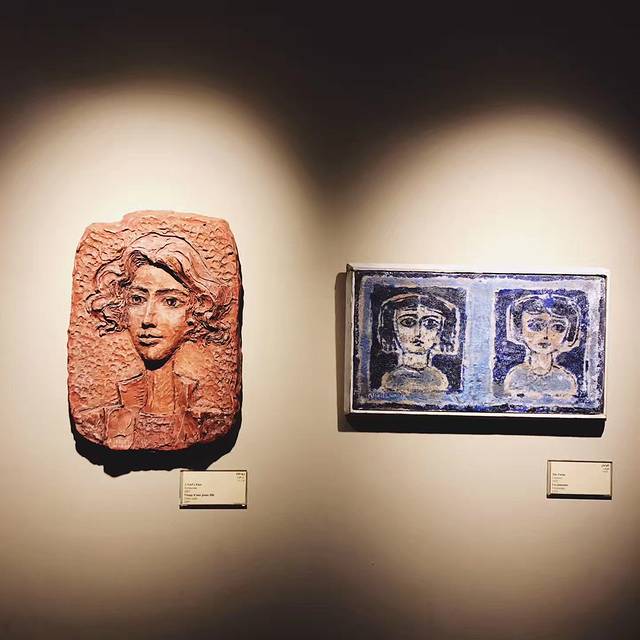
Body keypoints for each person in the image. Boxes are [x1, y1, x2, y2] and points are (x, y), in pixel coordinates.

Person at [81, 232, 232, 450]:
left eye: (170, 301)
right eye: (137, 299)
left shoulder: (211, 419)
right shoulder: (97, 420)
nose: (148, 319)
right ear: (121, 308)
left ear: (195, 313)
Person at [376, 292, 459, 394]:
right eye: (408, 322)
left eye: (430, 323)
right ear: (392, 327)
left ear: (442, 329)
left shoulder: (440, 381)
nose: (418, 333)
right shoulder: (390, 382)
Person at [503, 293, 580, 399]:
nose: (545, 335)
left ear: (568, 332)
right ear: (519, 329)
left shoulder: (566, 380)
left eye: (558, 327)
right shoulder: (515, 377)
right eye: (535, 326)